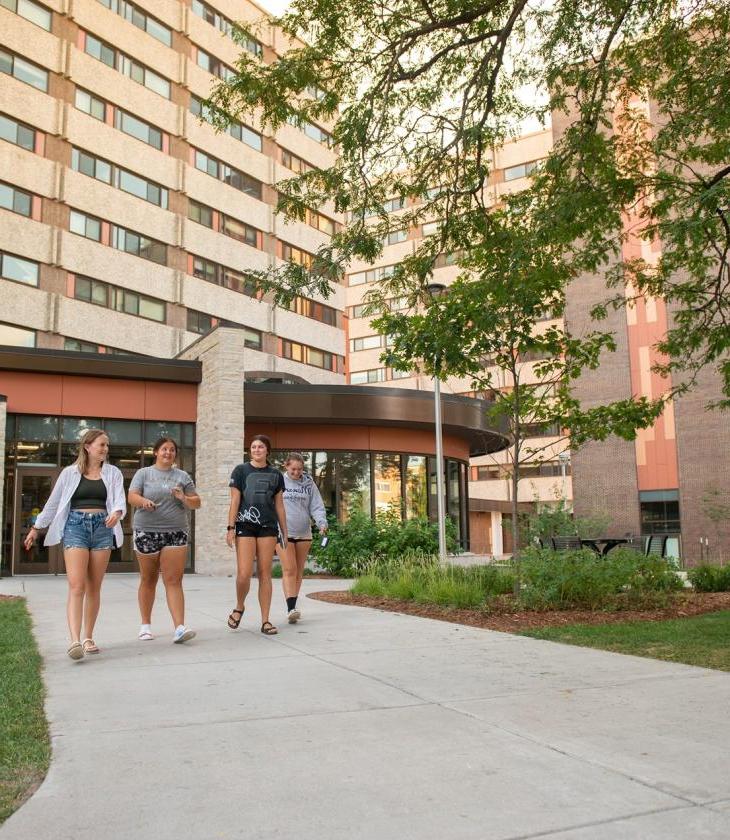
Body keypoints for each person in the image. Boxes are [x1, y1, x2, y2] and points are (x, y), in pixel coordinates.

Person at [23, 429, 125, 660]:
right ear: (88, 446)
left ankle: (88, 636)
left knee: (94, 586)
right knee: (77, 585)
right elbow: (53, 503)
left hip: (103, 528)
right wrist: (36, 529)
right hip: (75, 527)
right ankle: (74, 640)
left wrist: (117, 513)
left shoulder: (113, 473)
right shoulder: (69, 473)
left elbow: (119, 499)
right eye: (102, 445)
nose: (106, 449)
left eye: (107, 445)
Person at [128, 437, 201, 644]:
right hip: (146, 531)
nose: (168, 453)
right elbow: (132, 496)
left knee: (174, 580)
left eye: (171, 450)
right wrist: (143, 501)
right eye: (164, 449)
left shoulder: (182, 476)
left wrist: (183, 498)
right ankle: (145, 626)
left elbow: (197, 502)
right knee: (148, 579)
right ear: (156, 452)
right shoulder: (144, 473)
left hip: (175, 532)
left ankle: (179, 627)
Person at [226, 434, 287, 635]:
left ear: (267, 450)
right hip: (245, 524)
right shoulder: (241, 470)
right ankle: (239, 605)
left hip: (268, 526)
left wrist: (284, 532)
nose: (256, 450)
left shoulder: (276, 474)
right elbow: (235, 501)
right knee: (244, 573)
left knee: (265, 573)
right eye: (253, 447)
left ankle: (265, 620)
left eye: (260, 447)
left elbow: (279, 504)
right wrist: (230, 528)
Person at [279, 452, 328, 623]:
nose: (296, 472)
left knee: (298, 571)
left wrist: (321, 523)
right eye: (293, 469)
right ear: (286, 466)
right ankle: (291, 607)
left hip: (304, 533)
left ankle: (293, 604)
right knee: (289, 569)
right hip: (283, 532)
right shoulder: (279, 480)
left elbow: (316, 505)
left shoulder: (308, 483)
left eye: (299, 469)